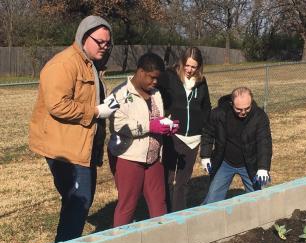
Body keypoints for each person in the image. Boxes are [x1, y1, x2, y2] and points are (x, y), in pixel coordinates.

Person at [28, 16, 117, 242]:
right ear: (84, 37)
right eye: (100, 42)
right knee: (79, 202)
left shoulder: (91, 65)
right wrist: (96, 112)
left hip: (82, 147)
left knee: (76, 202)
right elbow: (57, 104)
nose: (105, 47)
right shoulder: (64, 64)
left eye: (108, 43)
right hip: (66, 149)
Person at [107, 53, 178, 227]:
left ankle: (161, 241)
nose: (155, 82)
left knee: (158, 203)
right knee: (128, 204)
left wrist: (166, 125)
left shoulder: (156, 93)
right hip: (129, 158)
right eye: (152, 78)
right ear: (140, 72)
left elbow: (156, 117)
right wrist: (150, 126)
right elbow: (118, 126)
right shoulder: (118, 93)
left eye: (157, 79)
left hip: (154, 158)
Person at [159, 47, 211, 212]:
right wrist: (164, 116)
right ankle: (164, 211)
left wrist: (205, 129)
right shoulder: (170, 77)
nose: (189, 70)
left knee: (183, 180)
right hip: (174, 135)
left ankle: (178, 212)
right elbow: (156, 95)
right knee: (168, 177)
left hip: (193, 139)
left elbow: (206, 108)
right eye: (187, 65)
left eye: (193, 67)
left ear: (199, 67)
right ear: (181, 63)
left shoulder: (202, 82)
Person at [201, 87, 272, 204]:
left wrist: (263, 167)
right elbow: (207, 133)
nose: (243, 112)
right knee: (212, 200)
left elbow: (264, 142)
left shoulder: (259, 117)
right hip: (225, 162)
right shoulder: (219, 113)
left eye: (247, 108)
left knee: (259, 199)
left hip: (249, 163)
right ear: (231, 103)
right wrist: (205, 155)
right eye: (239, 109)